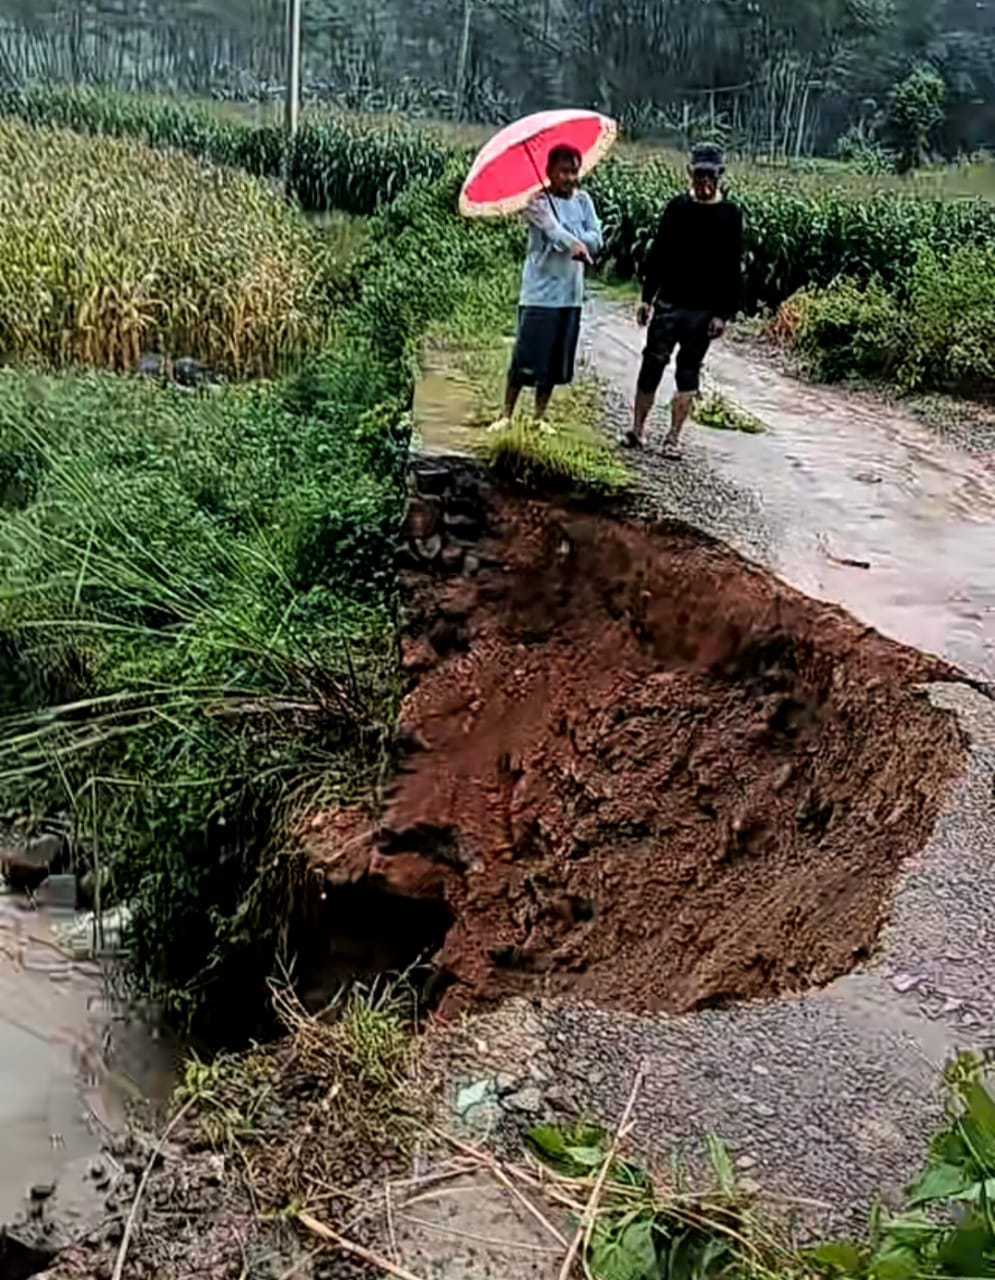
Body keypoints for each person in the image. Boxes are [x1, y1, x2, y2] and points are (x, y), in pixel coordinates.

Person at [625, 142, 743, 454]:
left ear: (720, 175)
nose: (704, 183)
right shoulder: (677, 208)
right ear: (690, 173)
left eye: (710, 176)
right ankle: (637, 430)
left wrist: (723, 314)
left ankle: (673, 438)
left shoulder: (731, 215)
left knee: (688, 371)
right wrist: (646, 298)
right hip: (668, 303)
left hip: (703, 311)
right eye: (699, 176)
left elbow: (732, 267)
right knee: (652, 363)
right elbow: (659, 255)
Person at [488, 144, 603, 435]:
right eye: (563, 171)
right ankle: (506, 414)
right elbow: (553, 232)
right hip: (540, 294)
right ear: (549, 172)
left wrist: (573, 238)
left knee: (553, 360)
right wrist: (573, 241)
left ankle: (540, 416)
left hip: (570, 294)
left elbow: (597, 239)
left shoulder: (584, 201)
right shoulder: (535, 203)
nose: (569, 177)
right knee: (524, 357)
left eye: (573, 171)